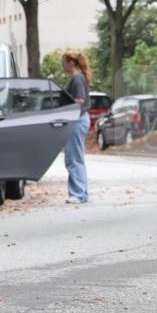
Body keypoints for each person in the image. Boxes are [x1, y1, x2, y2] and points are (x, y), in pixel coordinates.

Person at [61, 50, 92, 204]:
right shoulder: (79, 77)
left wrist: (63, 106)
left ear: (71, 63)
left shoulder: (77, 78)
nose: (63, 66)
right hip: (80, 120)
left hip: (77, 120)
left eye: (64, 63)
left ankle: (77, 194)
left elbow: (79, 100)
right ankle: (82, 193)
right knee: (77, 157)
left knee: (73, 158)